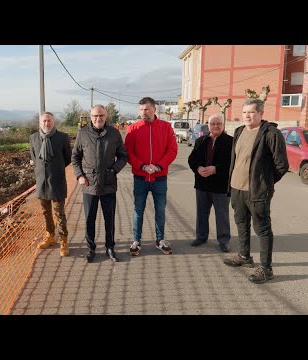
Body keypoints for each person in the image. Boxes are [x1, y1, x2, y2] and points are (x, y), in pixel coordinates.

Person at [223, 98, 288, 284]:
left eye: (251, 112)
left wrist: (264, 182)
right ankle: (244, 257)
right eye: (244, 112)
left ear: (260, 113)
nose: (247, 115)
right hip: (237, 189)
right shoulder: (239, 131)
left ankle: (266, 269)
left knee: (263, 229)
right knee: (241, 224)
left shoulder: (271, 133)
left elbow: (281, 165)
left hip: (257, 192)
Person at [71, 104, 128, 263]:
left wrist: (114, 170)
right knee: (89, 218)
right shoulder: (83, 134)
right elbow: (75, 157)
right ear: (91, 117)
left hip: (109, 183)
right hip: (89, 183)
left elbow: (123, 156)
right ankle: (91, 248)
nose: (98, 118)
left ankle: (110, 247)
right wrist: (79, 175)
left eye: (101, 116)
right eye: (95, 116)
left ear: (106, 116)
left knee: (109, 218)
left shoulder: (114, 133)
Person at [124, 97, 178, 256]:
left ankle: (160, 240)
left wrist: (158, 166)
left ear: (155, 110)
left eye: (146, 109)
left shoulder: (166, 127)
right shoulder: (133, 128)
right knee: (138, 210)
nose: (143, 112)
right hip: (140, 178)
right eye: (141, 110)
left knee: (160, 209)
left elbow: (172, 150)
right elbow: (128, 153)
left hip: (159, 178)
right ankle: (136, 241)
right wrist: (142, 166)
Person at [188, 113, 233, 252]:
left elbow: (233, 163)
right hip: (202, 185)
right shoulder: (201, 140)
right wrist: (198, 168)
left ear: (223, 125)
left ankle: (224, 241)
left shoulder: (231, 141)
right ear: (208, 125)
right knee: (201, 213)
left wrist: (216, 169)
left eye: (218, 124)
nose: (215, 126)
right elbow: (192, 159)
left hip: (220, 185)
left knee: (222, 215)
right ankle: (201, 237)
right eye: (213, 124)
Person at [29, 112, 72, 257]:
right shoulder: (33, 138)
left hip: (57, 181)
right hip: (41, 182)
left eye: (49, 121)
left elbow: (67, 158)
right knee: (45, 212)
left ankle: (64, 240)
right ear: (40, 123)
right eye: (44, 121)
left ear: (53, 122)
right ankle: (50, 236)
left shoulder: (62, 138)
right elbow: (34, 158)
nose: (46, 124)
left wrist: (56, 169)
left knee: (59, 212)